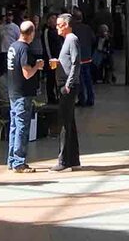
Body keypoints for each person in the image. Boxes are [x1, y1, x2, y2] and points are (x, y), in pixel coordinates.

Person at [6, 21, 43, 174]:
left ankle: (12, 159)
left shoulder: (13, 47)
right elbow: (27, 73)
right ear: (31, 33)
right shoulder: (25, 49)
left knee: (14, 125)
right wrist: (37, 66)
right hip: (23, 93)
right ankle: (19, 161)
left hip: (13, 91)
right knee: (22, 127)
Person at [54, 12, 81, 171]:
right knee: (69, 121)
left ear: (66, 25)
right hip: (65, 83)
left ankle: (63, 160)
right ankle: (73, 159)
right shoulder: (68, 41)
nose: (57, 27)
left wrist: (68, 84)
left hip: (68, 86)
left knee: (64, 122)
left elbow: (76, 63)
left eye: (59, 24)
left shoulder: (72, 39)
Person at [72, 9, 95, 107]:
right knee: (88, 79)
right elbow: (93, 39)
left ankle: (82, 99)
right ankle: (91, 98)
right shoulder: (87, 28)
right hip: (87, 56)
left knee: (79, 80)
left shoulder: (73, 29)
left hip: (78, 57)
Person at [0, 11, 21, 79]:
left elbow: (18, 39)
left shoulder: (15, 27)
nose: (8, 17)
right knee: (2, 69)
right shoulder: (0, 27)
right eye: (7, 16)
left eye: (10, 16)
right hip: (2, 51)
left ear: (12, 17)